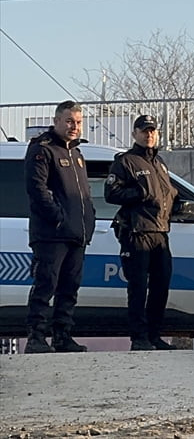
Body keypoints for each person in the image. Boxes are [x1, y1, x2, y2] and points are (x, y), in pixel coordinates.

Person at [23, 100, 96, 354]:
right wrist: (58, 217)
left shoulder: (77, 153)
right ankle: (36, 338)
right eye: (69, 121)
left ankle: (63, 336)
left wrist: (90, 219)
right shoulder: (43, 149)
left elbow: (84, 195)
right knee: (46, 284)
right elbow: (37, 189)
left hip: (77, 233)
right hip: (52, 234)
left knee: (70, 287)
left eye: (78, 122)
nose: (74, 127)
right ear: (56, 121)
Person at [105, 114, 179, 351]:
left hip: (160, 232)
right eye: (144, 131)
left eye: (153, 131)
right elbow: (111, 193)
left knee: (161, 285)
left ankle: (154, 335)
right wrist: (138, 194)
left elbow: (167, 194)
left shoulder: (160, 163)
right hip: (136, 232)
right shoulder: (126, 162)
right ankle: (139, 338)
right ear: (135, 134)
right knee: (138, 288)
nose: (149, 135)